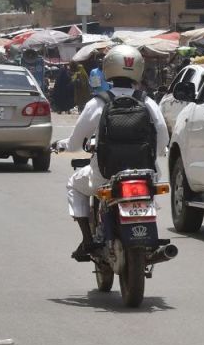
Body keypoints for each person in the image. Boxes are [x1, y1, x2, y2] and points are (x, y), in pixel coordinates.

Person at [56, 45, 168, 261]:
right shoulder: (147, 102)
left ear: (108, 68)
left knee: (74, 184)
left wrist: (62, 145)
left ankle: (88, 239)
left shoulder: (98, 103)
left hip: (105, 177)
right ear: (138, 70)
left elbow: (75, 144)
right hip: (146, 175)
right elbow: (162, 140)